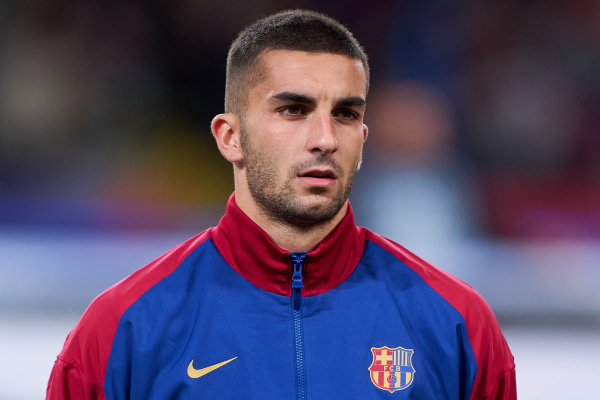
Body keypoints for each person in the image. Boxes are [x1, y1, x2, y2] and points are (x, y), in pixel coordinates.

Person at [47, 9, 516, 400]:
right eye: (293, 110)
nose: (325, 139)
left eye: (345, 114)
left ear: (363, 138)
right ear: (230, 137)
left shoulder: (457, 326)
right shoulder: (122, 330)